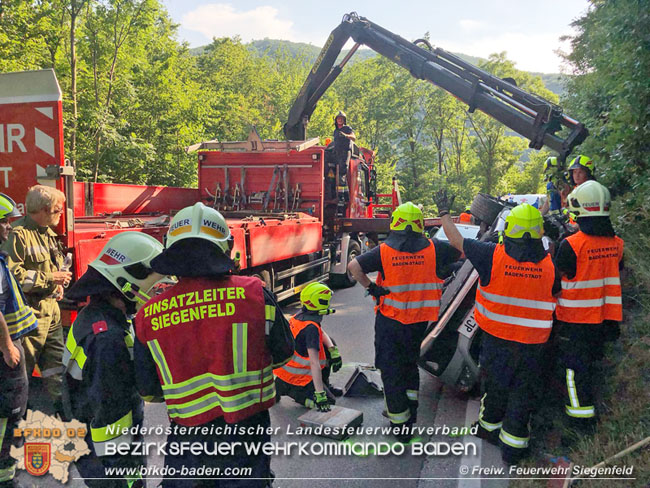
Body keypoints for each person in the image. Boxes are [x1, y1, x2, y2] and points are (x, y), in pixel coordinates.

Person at [134, 202, 294, 487]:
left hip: (187, 440)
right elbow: (283, 355)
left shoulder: (148, 315)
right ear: (228, 247)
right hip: (247, 431)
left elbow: (149, 391)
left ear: (170, 248)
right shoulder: (255, 295)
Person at [435, 191, 559, 464]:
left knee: (494, 387)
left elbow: (456, 241)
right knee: (523, 392)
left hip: (497, 340)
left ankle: (488, 428)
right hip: (534, 344)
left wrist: (444, 212)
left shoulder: (492, 255)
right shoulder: (551, 263)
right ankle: (514, 448)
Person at [348, 201, 461, 442]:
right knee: (409, 366)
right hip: (420, 322)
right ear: (420, 224)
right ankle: (410, 415)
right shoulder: (434, 249)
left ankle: (400, 425)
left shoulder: (384, 251)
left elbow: (353, 266)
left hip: (391, 321)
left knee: (391, 370)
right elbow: (460, 250)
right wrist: (445, 216)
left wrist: (372, 288)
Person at [63, 231, 164, 487]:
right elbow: (111, 411)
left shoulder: (94, 316)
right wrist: (127, 474)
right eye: (152, 286)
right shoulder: (109, 339)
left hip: (90, 441)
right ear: (127, 284)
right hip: (111, 458)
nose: (153, 293)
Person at [554, 181, 623, 438]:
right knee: (591, 362)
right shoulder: (617, 244)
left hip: (576, 320)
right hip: (606, 318)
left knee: (574, 368)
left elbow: (556, 279)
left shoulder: (571, 245)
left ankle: (580, 420)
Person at [1, 185, 71, 416]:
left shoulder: (48, 234)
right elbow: (12, 277)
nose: (61, 215)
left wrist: (58, 284)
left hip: (52, 311)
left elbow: (52, 269)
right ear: (44, 209)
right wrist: (51, 278)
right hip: (31, 316)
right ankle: (18, 422)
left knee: (58, 369)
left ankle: (66, 415)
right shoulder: (18, 234)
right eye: (58, 210)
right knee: (23, 373)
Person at [0, 195, 38, 488]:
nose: (7, 227)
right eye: (2, 222)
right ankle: (5, 473)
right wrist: (8, 346)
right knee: (11, 410)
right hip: (6, 351)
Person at [274, 282, 342, 412]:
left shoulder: (301, 316)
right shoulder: (310, 329)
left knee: (329, 343)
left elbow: (321, 332)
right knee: (329, 402)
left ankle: (321, 384)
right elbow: (314, 363)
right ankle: (292, 391)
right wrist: (320, 394)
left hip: (287, 369)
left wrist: (333, 350)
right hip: (296, 376)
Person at [332, 111, 356, 180]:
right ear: (336, 120)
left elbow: (354, 137)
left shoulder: (347, 128)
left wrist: (346, 135)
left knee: (343, 168)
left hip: (345, 151)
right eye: (338, 119)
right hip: (337, 152)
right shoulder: (335, 131)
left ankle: (342, 182)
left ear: (344, 120)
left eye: (341, 119)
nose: (340, 120)